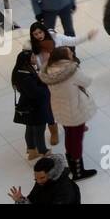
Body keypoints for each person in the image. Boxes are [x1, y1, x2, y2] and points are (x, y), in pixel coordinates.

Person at [39, 48, 97, 181]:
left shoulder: (48, 71)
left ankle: (71, 165)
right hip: (75, 110)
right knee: (76, 139)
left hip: (60, 109)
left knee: (69, 136)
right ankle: (78, 171)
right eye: (70, 53)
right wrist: (77, 66)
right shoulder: (71, 71)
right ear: (63, 57)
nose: (72, 54)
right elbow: (87, 81)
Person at [8, 154, 79, 205]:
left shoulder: (65, 190)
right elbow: (32, 199)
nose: (38, 181)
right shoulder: (42, 182)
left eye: (42, 178)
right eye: (36, 178)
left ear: (51, 174)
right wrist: (21, 200)